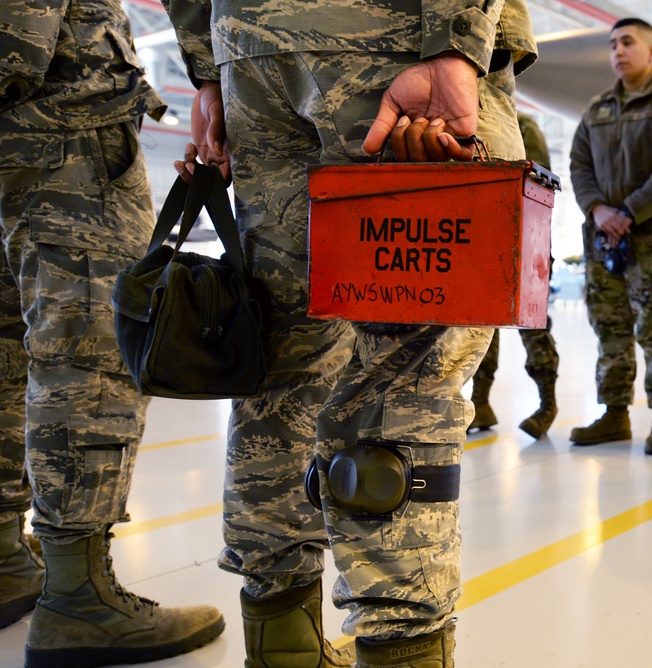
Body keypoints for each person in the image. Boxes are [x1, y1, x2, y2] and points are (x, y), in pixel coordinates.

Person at [161, 0, 537, 665]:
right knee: (406, 366)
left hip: (250, 49)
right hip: (396, 36)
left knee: (278, 353)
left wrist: (210, 67)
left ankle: (282, 646)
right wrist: (453, 41)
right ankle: (400, 644)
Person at [0, 1, 225, 665]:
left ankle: (6, 558)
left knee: (6, 348)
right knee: (91, 352)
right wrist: (211, 72)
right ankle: (79, 596)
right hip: (61, 114)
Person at [568, 18, 652, 456]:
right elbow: (579, 165)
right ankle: (614, 415)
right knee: (610, 329)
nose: (618, 51)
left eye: (627, 42)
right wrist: (598, 209)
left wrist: (630, 212)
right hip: (604, 242)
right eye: (612, 45)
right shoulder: (597, 109)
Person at [468, 112, 560, 439]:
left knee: (533, 324)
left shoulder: (522, 125)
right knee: (479, 325)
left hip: (523, 238)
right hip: (480, 238)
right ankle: (479, 401)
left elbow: (537, 180)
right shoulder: (466, 121)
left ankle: (547, 404)